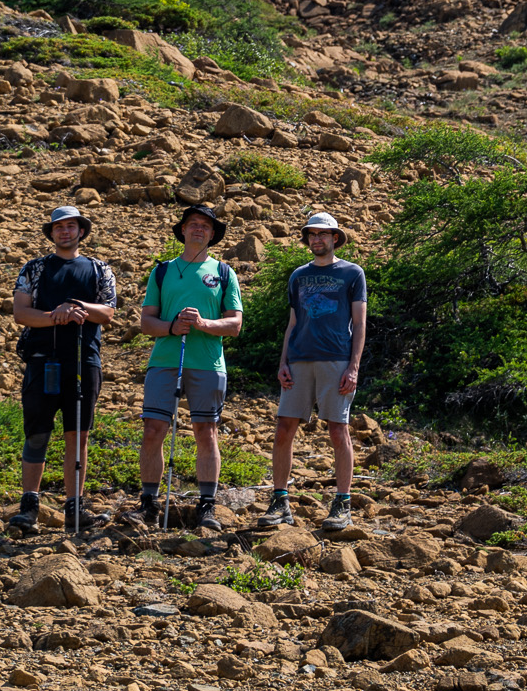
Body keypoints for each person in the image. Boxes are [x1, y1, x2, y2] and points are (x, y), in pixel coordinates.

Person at [8, 205, 117, 535]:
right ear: (52, 233)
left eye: (71, 227)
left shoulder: (100, 269)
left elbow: (108, 313)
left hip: (84, 361)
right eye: (59, 228)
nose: (65, 232)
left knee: (78, 435)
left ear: (81, 231)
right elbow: (21, 313)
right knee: (37, 433)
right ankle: (29, 507)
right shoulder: (35, 268)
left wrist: (77, 308)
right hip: (42, 359)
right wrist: (57, 315)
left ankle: (74, 507)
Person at [136, 203, 243, 534]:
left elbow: (235, 323)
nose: (199, 229)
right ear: (182, 230)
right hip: (165, 361)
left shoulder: (224, 273)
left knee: (205, 431)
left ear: (212, 234)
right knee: (154, 429)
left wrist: (203, 323)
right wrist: (171, 327)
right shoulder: (163, 271)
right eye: (193, 223)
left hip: (208, 363)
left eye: (206, 226)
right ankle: (149, 503)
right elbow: (146, 322)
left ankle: (207, 504)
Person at [258, 211, 366, 535]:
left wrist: (354, 366)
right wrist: (282, 362)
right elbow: (292, 323)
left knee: (338, 430)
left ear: (335, 238)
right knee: (283, 428)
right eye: (312, 234)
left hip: (336, 360)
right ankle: (280, 502)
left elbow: (360, 323)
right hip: (299, 360)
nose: (317, 239)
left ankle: (342, 504)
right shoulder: (298, 276)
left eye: (323, 234)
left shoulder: (352, 273)